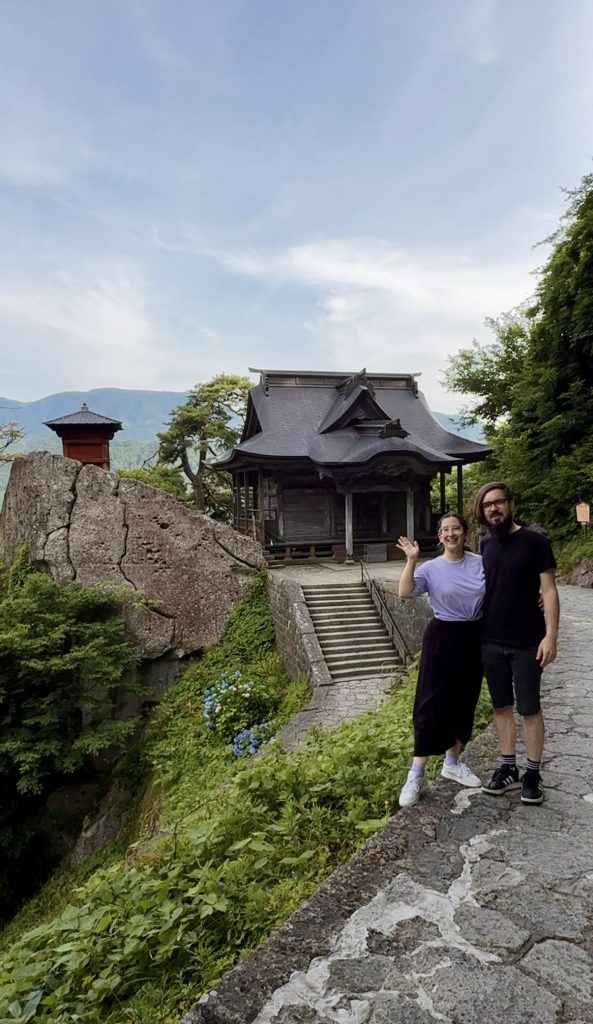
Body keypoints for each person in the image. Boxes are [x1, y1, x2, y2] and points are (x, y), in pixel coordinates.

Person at [473, 482, 560, 805]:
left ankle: (533, 772)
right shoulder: (484, 545)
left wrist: (551, 634)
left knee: (530, 707)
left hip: (527, 641)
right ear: (482, 512)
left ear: (512, 504)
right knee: (501, 706)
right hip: (491, 640)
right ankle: (508, 766)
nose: (493, 509)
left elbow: (549, 590)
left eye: (499, 503)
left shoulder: (535, 542)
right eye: (487, 505)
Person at [396, 512, 485, 808]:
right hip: (442, 636)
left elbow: (502, 590)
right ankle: (416, 773)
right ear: (439, 536)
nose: (451, 534)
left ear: (466, 533)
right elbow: (405, 592)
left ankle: (452, 762)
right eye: (445, 530)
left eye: (456, 528)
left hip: (473, 636)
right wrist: (411, 559)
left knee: (464, 700)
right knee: (431, 701)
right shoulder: (432, 568)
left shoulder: (480, 563)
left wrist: (534, 597)